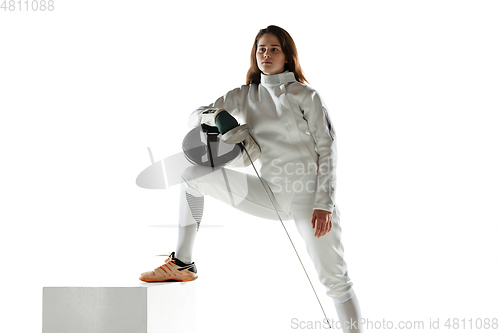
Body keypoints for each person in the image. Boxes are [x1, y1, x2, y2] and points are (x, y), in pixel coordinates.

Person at [140, 25, 364, 333]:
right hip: (268, 192)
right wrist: (216, 117)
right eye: (261, 49)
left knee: (335, 280)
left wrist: (324, 204)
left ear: (287, 56)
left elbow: (328, 151)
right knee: (191, 176)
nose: (266, 54)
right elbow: (196, 115)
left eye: (274, 49)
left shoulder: (306, 95)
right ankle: (183, 263)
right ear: (254, 54)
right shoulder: (246, 95)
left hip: (308, 200)